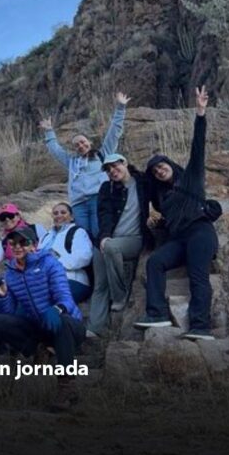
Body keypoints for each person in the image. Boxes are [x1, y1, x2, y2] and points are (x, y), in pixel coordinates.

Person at [135, 86, 219, 340]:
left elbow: (198, 147)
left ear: (170, 165)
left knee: (198, 276)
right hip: (179, 239)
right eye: (156, 171)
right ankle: (157, 313)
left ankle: (200, 327)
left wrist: (200, 113)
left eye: (162, 166)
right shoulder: (163, 198)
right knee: (155, 262)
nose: (160, 171)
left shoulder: (191, 178)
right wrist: (155, 222)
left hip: (200, 234)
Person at [0, 227, 85, 411]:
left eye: (23, 242)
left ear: (34, 245)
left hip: (67, 325)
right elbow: (8, 313)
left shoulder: (50, 263)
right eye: (13, 243)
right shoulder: (10, 273)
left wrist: (56, 309)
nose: (17, 247)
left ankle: (67, 386)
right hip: (39, 327)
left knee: (62, 321)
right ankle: (38, 350)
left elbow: (65, 297)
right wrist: (2, 295)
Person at [39, 92, 130, 239]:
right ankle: (89, 262)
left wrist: (120, 108)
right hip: (78, 205)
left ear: (90, 142)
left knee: (98, 232)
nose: (81, 146)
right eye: (77, 145)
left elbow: (114, 132)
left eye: (83, 142)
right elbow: (56, 150)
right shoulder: (72, 162)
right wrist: (49, 131)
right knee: (83, 237)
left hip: (97, 198)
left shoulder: (103, 154)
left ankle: (103, 259)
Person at [86, 154, 151, 338]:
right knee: (100, 284)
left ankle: (120, 295)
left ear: (125, 163)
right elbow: (104, 214)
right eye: (108, 170)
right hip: (110, 238)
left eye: (115, 166)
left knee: (112, 248)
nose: (113, 172)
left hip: (135, 239)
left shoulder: (143, 182)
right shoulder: (107, 188)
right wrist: (104, 236)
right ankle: (94, 328)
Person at [37, 203, 94, 304]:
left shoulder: (77, 232)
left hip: (71, 279)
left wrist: (55, 262)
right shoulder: (45, 236)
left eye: (63, 212)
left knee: (43, 305)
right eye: (55, 213)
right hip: (45, 281)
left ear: (71, 217)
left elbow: (84, 257)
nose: (59, 215)